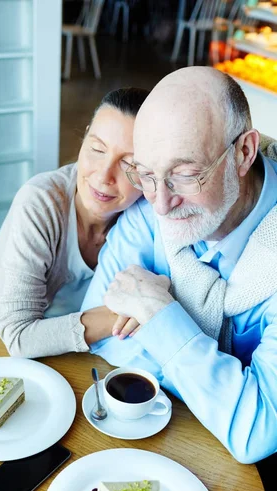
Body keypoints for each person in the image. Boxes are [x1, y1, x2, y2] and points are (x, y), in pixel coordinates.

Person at [82, 66, 277, 464]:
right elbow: (102, 338)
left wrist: (159, 315)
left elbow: (256, 432)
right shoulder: (148, 207)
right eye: (147, 175)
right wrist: (227, 390)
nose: (160, 204)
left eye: (186, 175)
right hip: (166, 445)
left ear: (243, 152)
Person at [0, 87, 149, 357]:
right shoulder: (41, 202)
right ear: (84, 137)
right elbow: (19, 337)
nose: (103, 175)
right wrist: (124, 314)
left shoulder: (145, 215)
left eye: (129, 164)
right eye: (97, 149)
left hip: (74, 363)